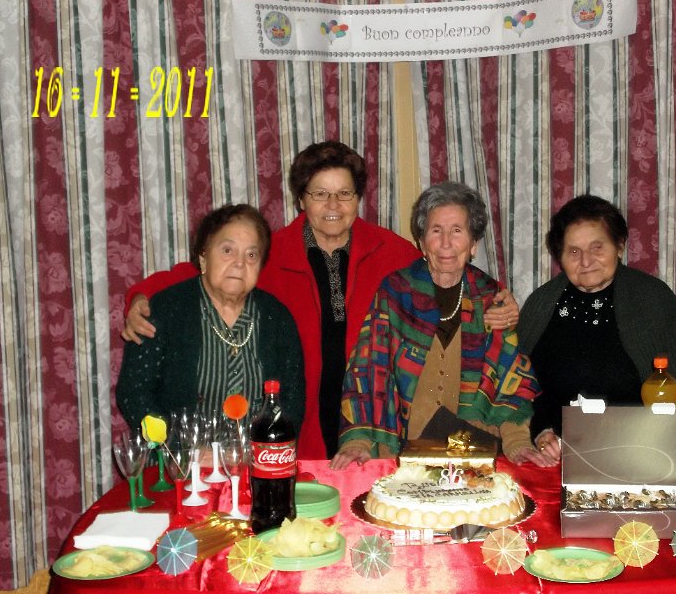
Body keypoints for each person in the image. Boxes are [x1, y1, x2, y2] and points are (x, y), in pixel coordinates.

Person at [121, 141, 519, 459]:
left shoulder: (390, 250)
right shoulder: (272, 250)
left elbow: (449, 268)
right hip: (304, 413)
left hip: (370, 413)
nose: (333, 206)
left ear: (358, 198)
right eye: (320, 194)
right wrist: (140, 297)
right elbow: (208, 272)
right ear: (301, 199)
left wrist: (501, 300)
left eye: (344, 193)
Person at [330, 182, 540, 470]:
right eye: (436, 230)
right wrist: (358, 441)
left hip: (474, 456)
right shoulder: (396, 292)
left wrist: (518, 442)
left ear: (474, 244)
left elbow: (509, 382)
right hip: (404, 455)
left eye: (457, 231)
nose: (446, 243)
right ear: (421, 242)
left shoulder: (491, 299)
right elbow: (367, 371)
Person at [517, 194, 676, 467]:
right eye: (574, 251)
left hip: (643, 456)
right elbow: (523, 389)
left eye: (597, 248)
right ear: (560, 256)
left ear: (619, 245)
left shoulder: (651, 298)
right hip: (560, 458)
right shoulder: (542, 304)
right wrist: (542, 432)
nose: (586, 261)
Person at [115, 204, 305, 432]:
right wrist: (178, 445)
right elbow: (134, 394)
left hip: (260, 453)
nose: (239, 263)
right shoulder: (165, 310)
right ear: (203, 257)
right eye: (227, 250)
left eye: (251, 255)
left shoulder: (278, 318)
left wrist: (267, 445)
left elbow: (293, 401)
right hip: (181, 453)